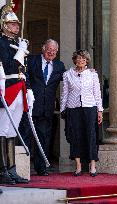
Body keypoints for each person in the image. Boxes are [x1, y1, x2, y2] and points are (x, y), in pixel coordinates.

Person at [19, 39, 65, 176]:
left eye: (54, 50)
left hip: (46, 108)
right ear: (43, 48)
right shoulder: (32, 60)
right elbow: (23, 74)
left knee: (43, 138)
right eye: (49, 49)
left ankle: (41, 168)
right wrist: (28, 90)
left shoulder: (59, 65)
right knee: (25, 135)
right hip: (30, 106)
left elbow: (69, 78)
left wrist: (85, 72)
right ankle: (22, 168)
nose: (51, 52)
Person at [0, 4, 34, 184]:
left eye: (17, 24)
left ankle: (12, 168)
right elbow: (8, 66)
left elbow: (23, 70)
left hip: (20, 88)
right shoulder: (2, 43)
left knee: (13, 131)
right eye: (13, 24)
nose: (16, 27)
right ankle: (3, 168)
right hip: (8, 89)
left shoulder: (17, 43)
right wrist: (20, 50)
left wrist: (28, 88)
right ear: (5, 25)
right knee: (3, 129)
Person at [60, 49, 103, 177]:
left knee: (91, 135)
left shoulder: (93, 74)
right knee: (75, 136)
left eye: (83, 59)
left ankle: (92, 165)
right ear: (75, 60)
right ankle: (78, 166)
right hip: (73, 108)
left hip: (90, 107)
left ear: (87, 61)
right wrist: (63, 109)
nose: (81, 60)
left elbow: (97, 93)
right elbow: (65, 93)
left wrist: (99, 110)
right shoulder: (68, 74)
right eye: (79, 58)